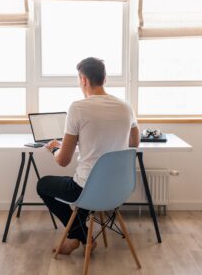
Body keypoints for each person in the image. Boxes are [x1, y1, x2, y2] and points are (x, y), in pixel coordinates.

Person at [37, 57, 140, 255]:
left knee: (44, 185)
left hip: (87, 189)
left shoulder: (78, 108)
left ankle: (82, 237)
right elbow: (134, 143)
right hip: (118, 189)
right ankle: (78, 238)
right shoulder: (126, 107)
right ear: (105, 78)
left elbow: (63, 160)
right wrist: (107, 143)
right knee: (88, 186)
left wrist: (53, 148)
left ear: (83, 79)